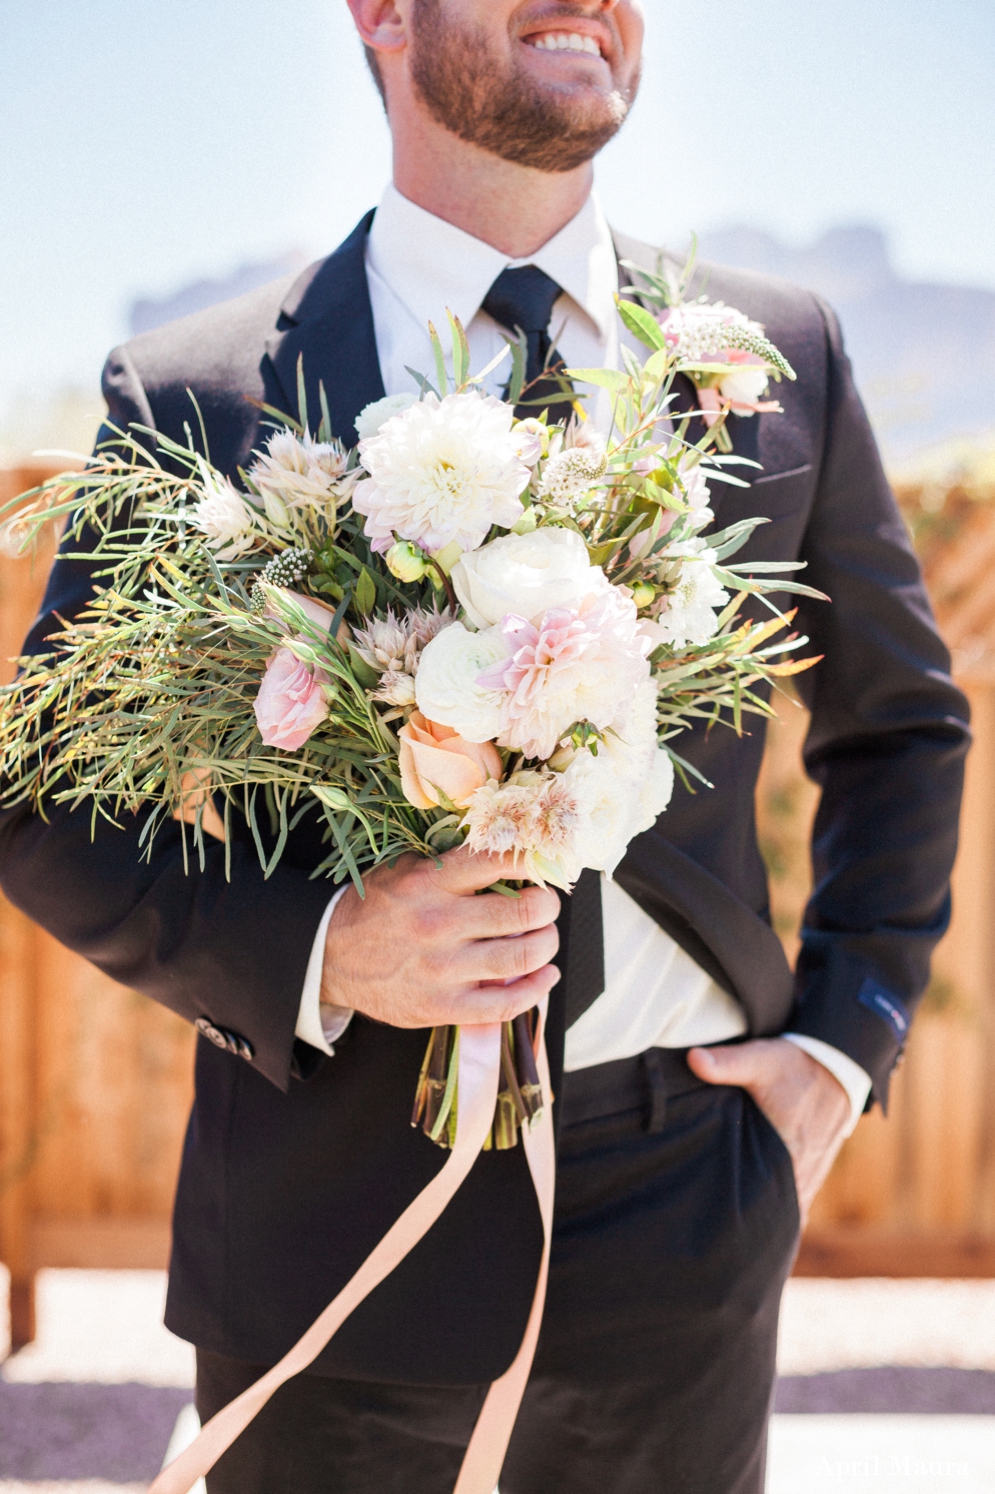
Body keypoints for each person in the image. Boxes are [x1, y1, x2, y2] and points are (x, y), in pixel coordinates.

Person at [0, 2, 970, 1491]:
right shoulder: (192, 397)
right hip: (324, 1222)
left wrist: (842, 1050)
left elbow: (903, 724)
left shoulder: (782, 356)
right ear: (380, 12)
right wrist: (322, 946)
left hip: (688, 1214)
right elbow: (40, 802)